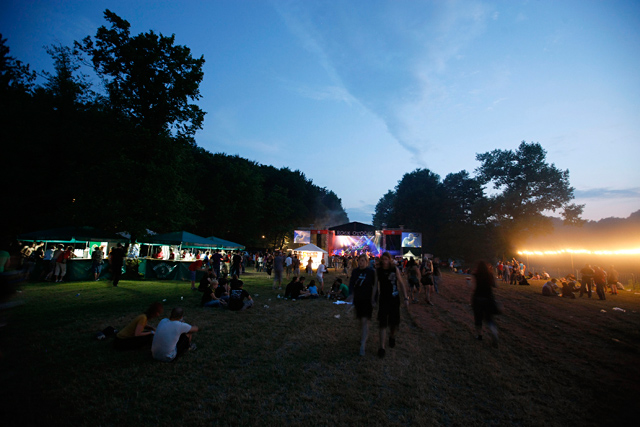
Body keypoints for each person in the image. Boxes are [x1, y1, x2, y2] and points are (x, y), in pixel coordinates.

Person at [375, 252, 408, 358]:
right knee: (383, 323)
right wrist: (373, 298)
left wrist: (406, 297)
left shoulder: (394, 269)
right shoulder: (379, 271)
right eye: (383, 259)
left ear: (389, 260)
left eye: (386, 259)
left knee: (394, 323)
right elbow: (375, 285)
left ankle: (392, 336)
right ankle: (382, 347)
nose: (385, 261)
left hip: (394, 299)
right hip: (383, 299)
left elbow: (401, 283)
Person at [348, 254, 377, 356]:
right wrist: (351, 294)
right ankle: (363, 337)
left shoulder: (371, 272)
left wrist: (374, 299)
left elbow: (375, 286)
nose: (361, 262)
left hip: (367, 300)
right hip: (358, 300)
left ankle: (363, 345)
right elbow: (351, 283)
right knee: (360, 321)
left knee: (365, 321)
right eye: (360, 260)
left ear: (367, 262)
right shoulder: (355, 271)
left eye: (363, 261)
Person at [472, 261, 499, 345]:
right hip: (489, 298)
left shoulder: (475, 274)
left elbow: (473, 287)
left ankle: (479, 336)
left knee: (478, 317)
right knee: (489, 318)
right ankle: (494, 332)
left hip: (478, 298)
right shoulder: (490, 274)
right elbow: (496, 285)